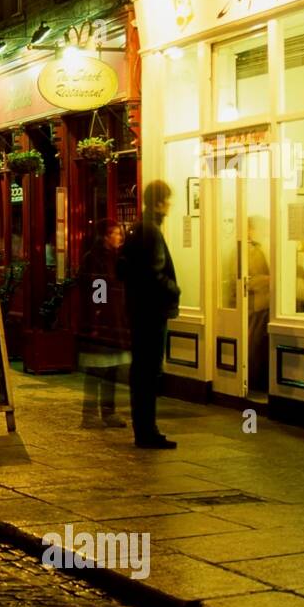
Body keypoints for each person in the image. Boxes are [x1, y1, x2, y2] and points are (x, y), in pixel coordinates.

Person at [120, 181, 181, 449]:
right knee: (148, 371)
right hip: (151, 312)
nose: (169, 205)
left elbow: (123, 268)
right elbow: (153, 274)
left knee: (141, 371)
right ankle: (147, 431)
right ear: (158, 203)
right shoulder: (151, 232)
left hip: (138, 309)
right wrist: (174, 289)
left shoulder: (136, 228)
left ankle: (144, 429)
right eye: (167, 200)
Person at [78, 220, 129, 428]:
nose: (120, 237)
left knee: (111, 369)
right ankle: (90, 414)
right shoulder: (97, 259)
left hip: (113, 321)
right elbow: (98, 289)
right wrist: (99, 315)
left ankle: (108, 411)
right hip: (102, 324)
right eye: (116, 234)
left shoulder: (115, 258)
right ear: (107, 236)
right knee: (96, 369)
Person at [247, 215, 272, 392]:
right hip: (255, 305)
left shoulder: (258, 250)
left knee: (257, 345)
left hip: (261, 304)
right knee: (254, 345)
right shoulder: (249, 251)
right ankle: (254, 381)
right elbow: (248, 280)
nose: (264, 233)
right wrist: (270, 279)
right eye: (262, 229)